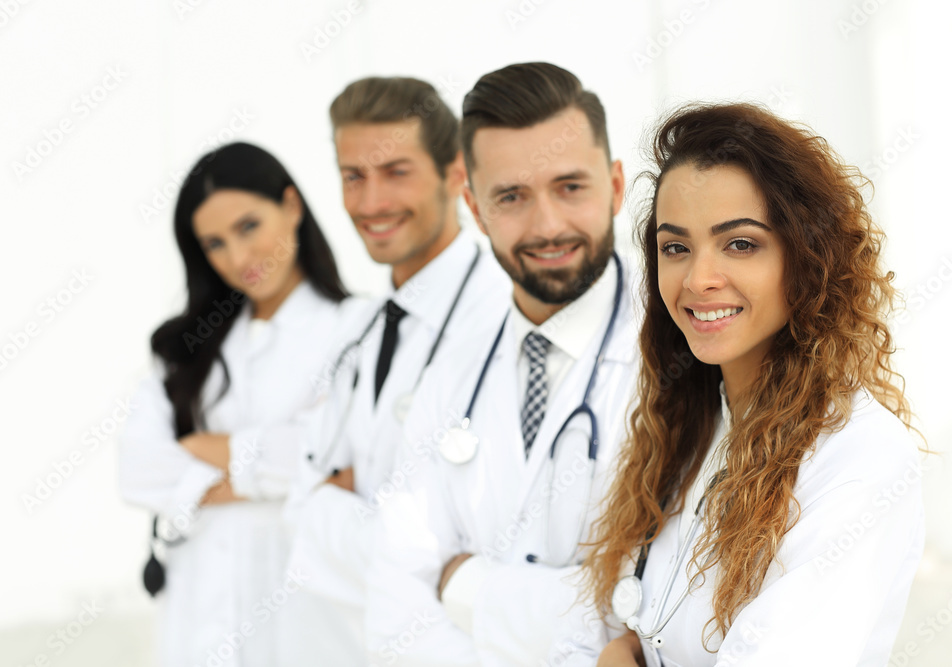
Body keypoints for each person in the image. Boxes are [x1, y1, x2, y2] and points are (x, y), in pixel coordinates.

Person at [579, 103, 925, 666]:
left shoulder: (860, 455)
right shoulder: (682, 430)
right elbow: (592, 631)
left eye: (740, 243)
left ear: (807, 256)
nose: (698, 279)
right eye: (676, 247)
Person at [364, 62, 639, 666]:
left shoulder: (681, 359)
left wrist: (466, 586)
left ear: (616, 186)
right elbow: (393, 602)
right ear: (475, 206)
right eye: (511, 196)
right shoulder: (451, 371)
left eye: (571, 186)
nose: (547, 226)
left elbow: (657, 611)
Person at [278, 76, 511, 664]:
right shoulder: (364, 326)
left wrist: (328, 509)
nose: (371, 202)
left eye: (396, 172)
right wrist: (334, 512)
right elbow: (298, 501)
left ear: (456, 174)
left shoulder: (500, 318)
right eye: (353, 176)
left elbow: (461, 554)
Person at [118, 142, 352, 666]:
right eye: (215, 243)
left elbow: (340, 461)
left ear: (291, 206)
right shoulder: (184, 348)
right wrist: (274, 473)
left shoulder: (356, 329)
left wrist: (203, 452)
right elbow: (136, 468)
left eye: (249, 226)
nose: (238, 258)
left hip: (311, 626)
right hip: (195, 617)